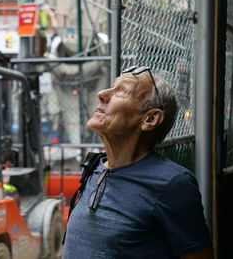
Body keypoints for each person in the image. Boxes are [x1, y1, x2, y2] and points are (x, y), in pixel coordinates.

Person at [62, 66, 214, 259]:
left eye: (122, 91)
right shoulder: (94, 168)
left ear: (149, 119)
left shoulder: (172, 184)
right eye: (112, 87)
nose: (101, 94)